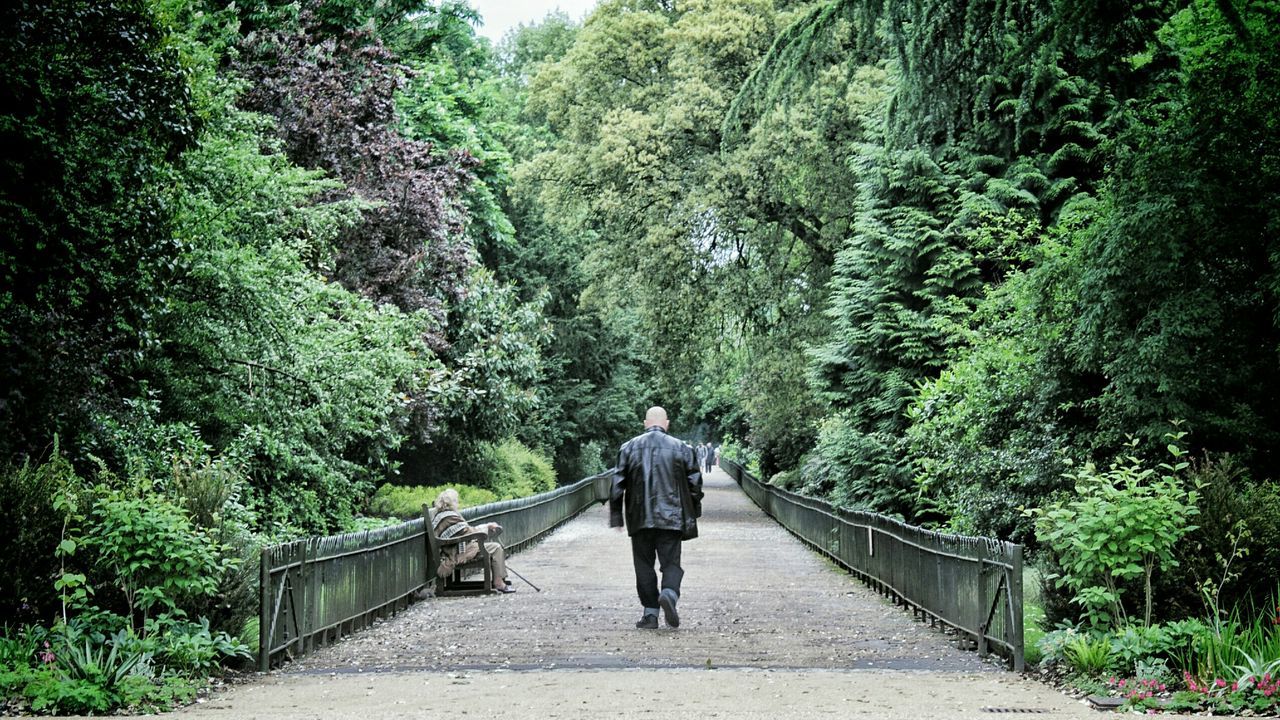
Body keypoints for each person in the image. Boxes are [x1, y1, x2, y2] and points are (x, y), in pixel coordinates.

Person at [610, 406, 703, 629]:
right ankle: (669, 593)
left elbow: (617, 483)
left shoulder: (629, 447)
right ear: (667, 424)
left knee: (643, 565)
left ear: (645, 423)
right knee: (671, 563)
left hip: (639, 516)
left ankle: (650, 613)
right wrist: (694, 509)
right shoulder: (681, 448)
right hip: (672, 517)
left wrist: (616, 515)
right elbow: (695, 484)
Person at [432, 488, 516, 593]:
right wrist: (487, 527)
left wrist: (486, 526)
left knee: (493, 547)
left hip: (456, 548)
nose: (458, 503)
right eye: (456, 500)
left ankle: (499, 579)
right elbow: (468, 533)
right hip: (458, 553)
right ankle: (498, 582)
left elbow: (465, 531)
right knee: (496, 548)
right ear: (450, 503)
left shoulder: (443, 515)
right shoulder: (450, 517)